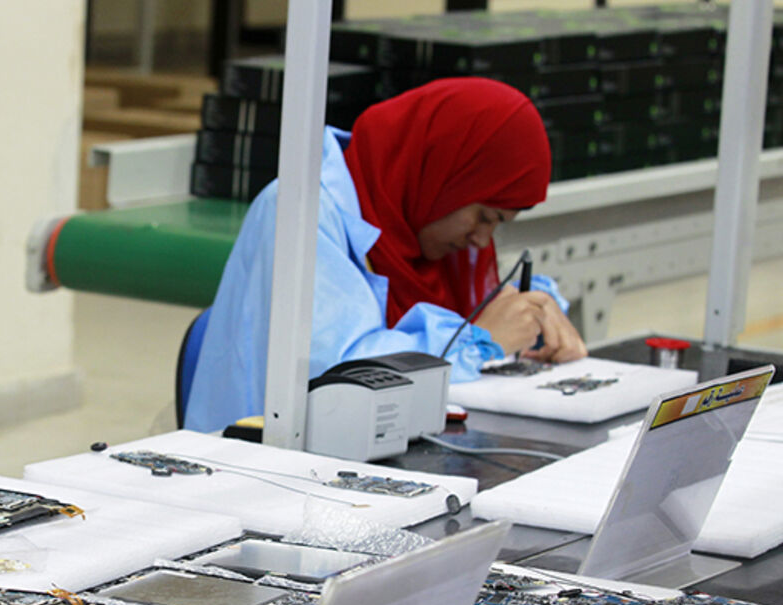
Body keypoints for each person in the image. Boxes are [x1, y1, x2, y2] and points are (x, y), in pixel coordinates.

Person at [185, 78, 587, 433]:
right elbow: (338, 378)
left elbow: (476, 310)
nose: (483, 242)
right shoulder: (301, 212)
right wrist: (475, 341)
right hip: (268, 468)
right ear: (443, 172)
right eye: (483, 216)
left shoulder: (425, 225)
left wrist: (532, 310)